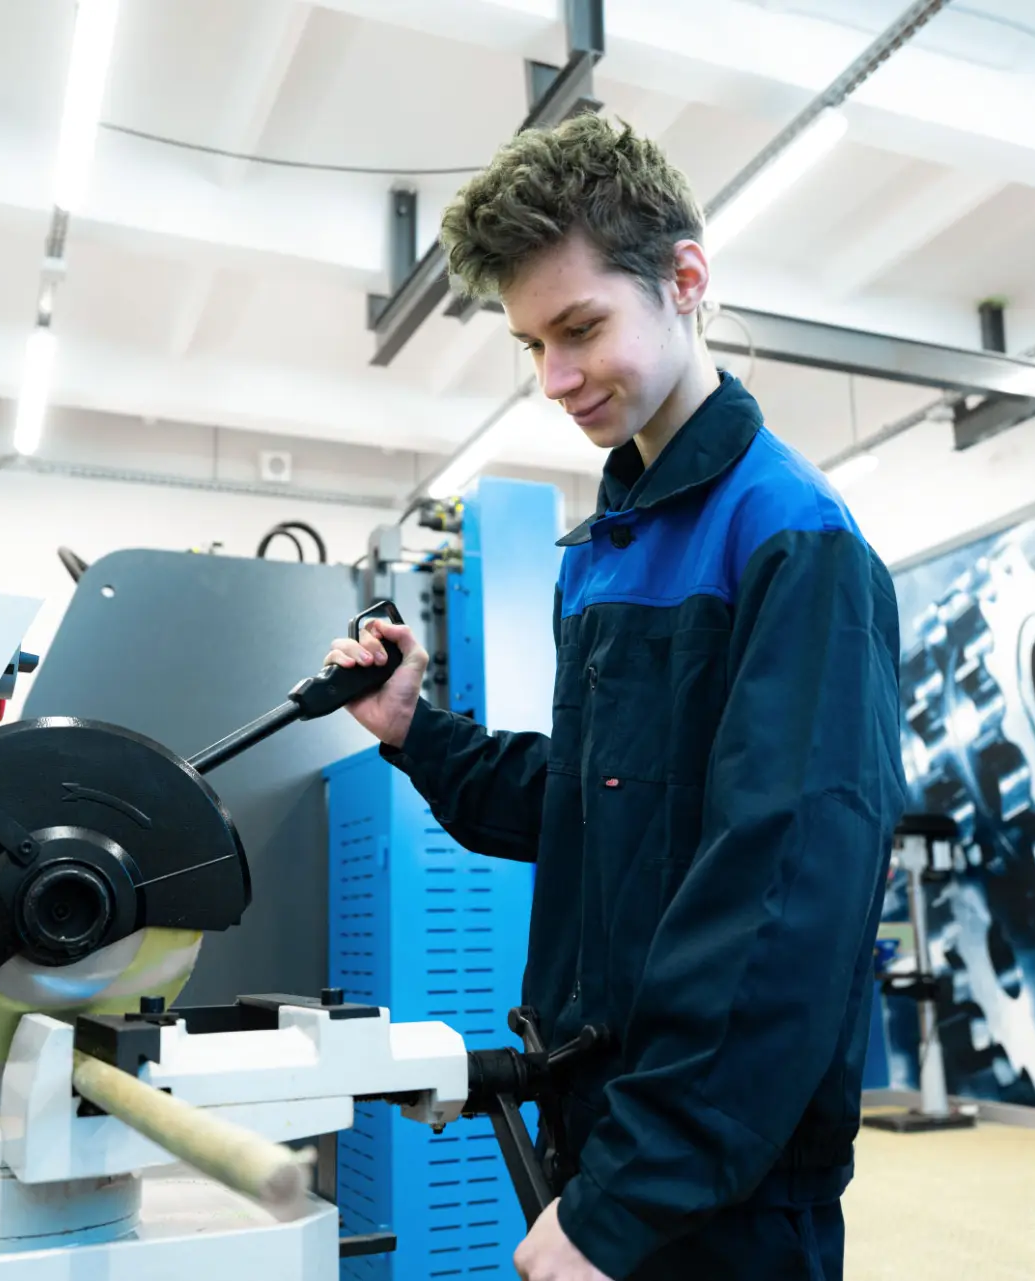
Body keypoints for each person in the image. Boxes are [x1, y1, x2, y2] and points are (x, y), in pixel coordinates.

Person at [324, 112, 905, 1281]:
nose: (554, 380)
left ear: (684, 281)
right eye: (533, 343)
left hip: (719, 1190)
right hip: (601, 1130)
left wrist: (629, 1195)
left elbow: (783, 891)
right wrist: (415, 731)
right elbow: (595, 805)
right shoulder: (606, 550)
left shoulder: (792, 538)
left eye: (581, 328)